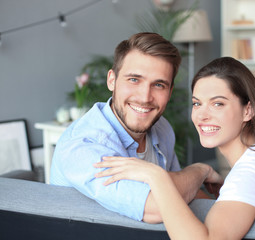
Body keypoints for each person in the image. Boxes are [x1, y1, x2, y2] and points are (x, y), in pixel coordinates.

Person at [94, 57, 255, 239]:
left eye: (218, 103)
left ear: (248, 111)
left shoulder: (251, 171)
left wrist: (156, 176)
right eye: (197, 103)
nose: (202, 115)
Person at [50, 32, 216, 223]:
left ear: (169, 92)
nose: (145, 97)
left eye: (159, 85)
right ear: (112, 80)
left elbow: (184, 188)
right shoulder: (83, 145)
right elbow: (160, 207)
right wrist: (202, 170)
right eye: (134, 80)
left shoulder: (161, 127)